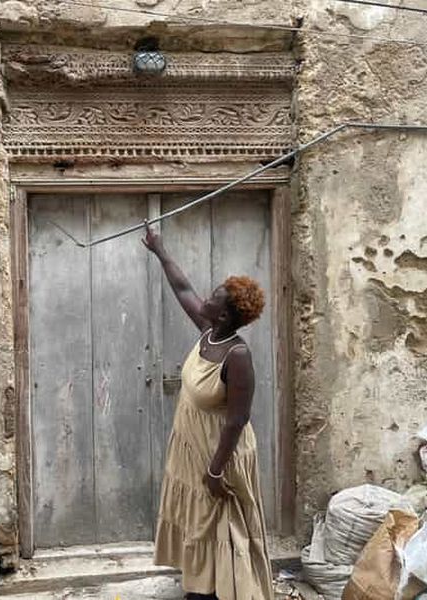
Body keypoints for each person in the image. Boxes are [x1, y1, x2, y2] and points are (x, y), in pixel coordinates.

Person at [143, 223, 274, 600]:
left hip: (223, 452)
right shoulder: (208, 331)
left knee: (221, 524)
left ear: (226, 315)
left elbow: (237, 419)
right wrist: (160, 250)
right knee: (199, 522)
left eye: (215, 298)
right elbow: (183, 289)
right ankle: (202, 584)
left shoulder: (238, 355)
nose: (207, 299)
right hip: (194, 444)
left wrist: (216, 471)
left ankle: (224, 591)